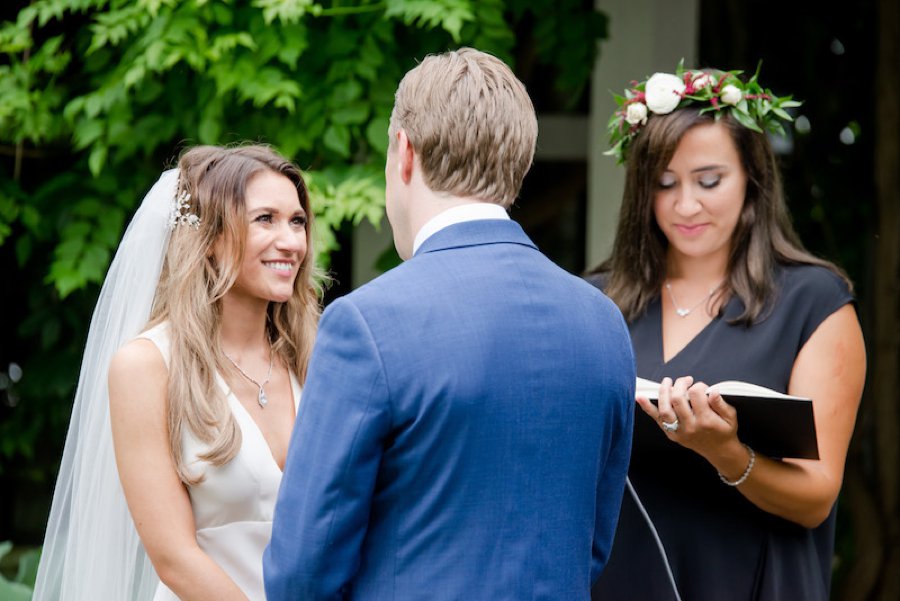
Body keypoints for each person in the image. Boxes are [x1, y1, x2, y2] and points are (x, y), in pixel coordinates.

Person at [263, 47, 636, 600]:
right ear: (519, 161)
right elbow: (592, 545)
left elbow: (302, 572)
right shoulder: (603, 321)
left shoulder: (367, 323)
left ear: (404, 153)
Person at [587, 65, 866, 601]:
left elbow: (816, 497)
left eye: (709, 181)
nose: (685, 205)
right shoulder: (598, 304)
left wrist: (725, 453)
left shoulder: (814, 303)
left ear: (752, 179)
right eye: (664, 184)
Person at [32, 144, 323, 601]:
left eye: (298, 221)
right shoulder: (147, 366)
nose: (291, 242)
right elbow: (173, 557)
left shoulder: (316, 356)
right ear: (209, 239)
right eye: (265, 219)